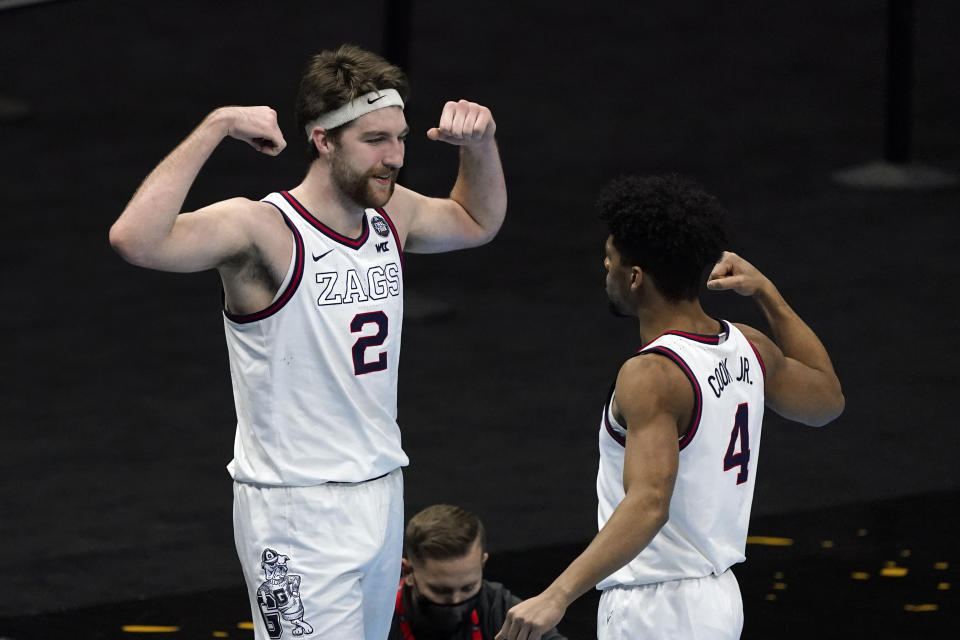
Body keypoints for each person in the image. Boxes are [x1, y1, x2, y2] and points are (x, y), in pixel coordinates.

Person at [109, 44, 506, 640]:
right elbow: (135, 239)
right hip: (297, 510)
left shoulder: (389, 217)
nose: (395, 157)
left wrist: (479, 145)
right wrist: (217, 124)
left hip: (380, 490)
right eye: (375, 140)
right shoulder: (262, 229)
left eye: (400, 138)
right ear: (322, 139)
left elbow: (477, 220)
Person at [497, 174, 844, 640]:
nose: (606, 271)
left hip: (654, 610)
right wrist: (764, 290)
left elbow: (649, 504)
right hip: (719, 599)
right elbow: (827, 401)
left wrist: (556, 595)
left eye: (610, 261)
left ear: (635, 278)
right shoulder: (751, 347)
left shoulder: (652, 375)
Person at [390, 505, 567, 640]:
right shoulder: (376, 615)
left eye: (468, 588)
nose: (456, 601)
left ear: (482, 563)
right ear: (407, 572)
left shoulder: (496, 606)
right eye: (441, 591)